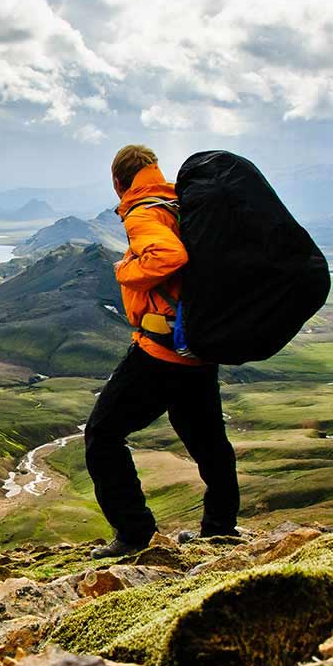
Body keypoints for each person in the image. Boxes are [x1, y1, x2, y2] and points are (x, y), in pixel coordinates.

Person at [86, 144, 240, 558]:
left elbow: (169, 256)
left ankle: (134, 532)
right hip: (198, 348)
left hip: (162, 350)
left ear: (119, 183)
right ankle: (221, 528)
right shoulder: (180, 204)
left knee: (102, 434)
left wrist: (124, 269)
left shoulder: (143, 211)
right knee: (208, 441)